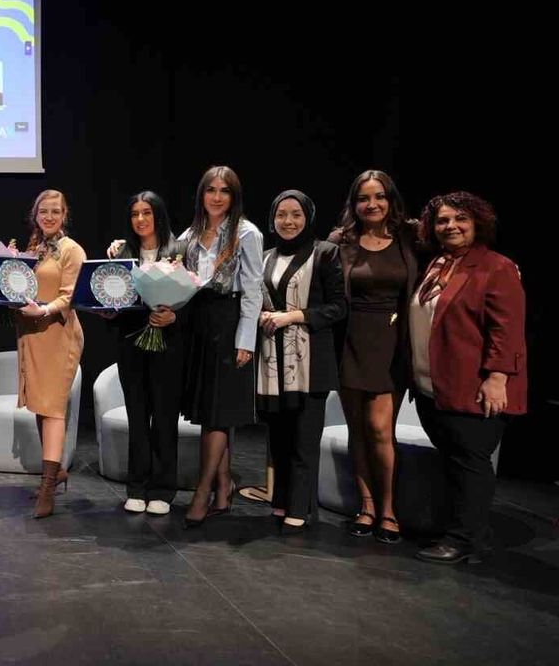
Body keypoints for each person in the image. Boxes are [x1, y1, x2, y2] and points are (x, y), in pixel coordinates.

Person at [409, 192, 527, 564]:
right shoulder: (438, 264)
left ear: (477, 223)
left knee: (469, 463)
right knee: (453, 462)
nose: (451, 226)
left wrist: (497, 378)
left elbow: (506, 330)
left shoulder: (496, 267)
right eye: (443, 220)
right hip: (434, 387)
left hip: (474, 387)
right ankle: (471, 530)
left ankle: (463, 540)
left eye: (460, 218)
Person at [328, 169, 421, 544]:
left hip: (393, 342)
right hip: (350, 341)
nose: (372, 204)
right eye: (364, 198)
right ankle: (366, 507)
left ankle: (388, 509)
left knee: (381, 429)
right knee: (358, 429)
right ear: (354, 204)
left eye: (379, 196)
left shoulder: (411, 237)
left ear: (390, 199)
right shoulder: (341, 241)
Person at [255, 190, 347, 533]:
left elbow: (338, 307)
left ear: (308, 217)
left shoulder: (325, 252)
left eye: (296, 214)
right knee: (279, 438)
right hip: (272, 363)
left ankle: (300, 507)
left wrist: (293, 316)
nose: (288, 221)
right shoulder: (265, 257)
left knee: (304, 440)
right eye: (281, 215)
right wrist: (262, 316)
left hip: (310, 364)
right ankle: (281, 500)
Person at [178, 165, 264, 527]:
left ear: (234, 197)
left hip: (229, 322)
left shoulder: (247, 233)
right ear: (202, 194)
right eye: (211, 190)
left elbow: (253, 289)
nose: (216, 197)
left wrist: (246, 339)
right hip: (199, 322)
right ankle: (223, 488)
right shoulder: (191, 233)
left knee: (217, 414)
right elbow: (170, 263)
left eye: (224, 191)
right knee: (212, 412)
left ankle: (203, 492)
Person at [105, 191, 186, 516]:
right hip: (132, 344)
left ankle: (163, 489)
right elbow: (112, 296)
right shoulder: (122, 252)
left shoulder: (179, 251)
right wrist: (107, 310)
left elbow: (195, 303)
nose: (140, 219)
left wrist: (174, 317)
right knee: (137, 417)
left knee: (164, 418)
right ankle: (136, 487)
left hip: (168, 346)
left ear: (159, 215)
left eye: (147, 213)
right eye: (135, 213)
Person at [16, 189, 86, 518]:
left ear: (64, 215)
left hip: (58, 334)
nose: (49, 216)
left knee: (53, 408)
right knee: (40, 406)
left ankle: (47, 488)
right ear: (36, 214)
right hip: (33, 335)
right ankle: (56, 472)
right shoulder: (33, 249)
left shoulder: (72, 250)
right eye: (43, 211)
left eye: (55, 211)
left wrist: (42, 311)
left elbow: (69, 296)